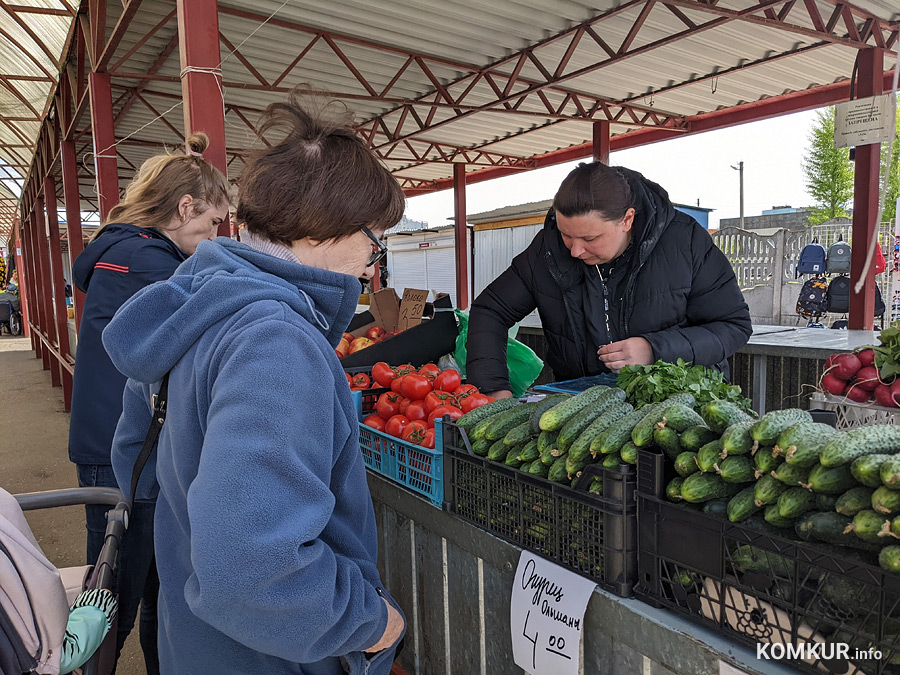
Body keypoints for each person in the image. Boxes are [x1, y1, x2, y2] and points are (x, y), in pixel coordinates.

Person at [104, 91, 406, 674]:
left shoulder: (192, 302)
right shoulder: (276, 342)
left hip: (194, 641)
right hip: (266, 658)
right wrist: (368, 622)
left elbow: (131, 460)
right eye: (374, 241)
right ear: (325, 231)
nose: (374, 263)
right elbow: (251, 570)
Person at [67, 133, 230, 673]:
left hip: (119, 444)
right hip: (127, 455)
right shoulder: (149, 262)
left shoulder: (121, 251)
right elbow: (212, 311)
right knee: (117, 599)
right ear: (185, 207)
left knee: (138, 588)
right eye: (211, 224)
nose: (212, 239)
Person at [466, 162, 752, 397]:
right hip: (583, 407)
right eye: (567, 234)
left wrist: (655, 349)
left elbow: (733, 326)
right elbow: (490, 310)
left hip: (684, 404)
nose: (575, 250)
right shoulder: (547, 250)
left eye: (590, 238)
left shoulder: (685, 241)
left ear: (627, 220)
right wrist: (493, 389)